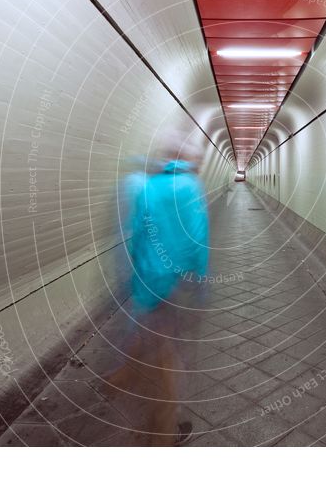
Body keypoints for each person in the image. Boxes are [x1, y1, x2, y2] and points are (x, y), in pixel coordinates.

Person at [108, 134, 209, 446]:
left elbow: (135, 234)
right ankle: (163, 435)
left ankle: (118, 382)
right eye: (199, 159)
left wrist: (133, 278)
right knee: (168, 363)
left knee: (149, 344)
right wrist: (201, 280)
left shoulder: (147, 186)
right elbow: (197, 237)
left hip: (147, 282)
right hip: (172, 286)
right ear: (189, 159)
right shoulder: (190, 187)